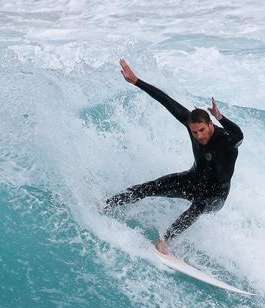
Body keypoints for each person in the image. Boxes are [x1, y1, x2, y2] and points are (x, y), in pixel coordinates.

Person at [104, 58, 244, 255]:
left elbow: (239, 135)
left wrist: (221, 117)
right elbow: (166, 101)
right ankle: (107, 204)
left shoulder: (226, 140)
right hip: (193, 180)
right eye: (195, 132)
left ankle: (164, 242)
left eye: (202, 130)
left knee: (199, 206)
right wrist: (136, 81)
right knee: (150, 187)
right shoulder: (191, 125)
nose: (199, 136)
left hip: (216, 195)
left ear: (210, 125)